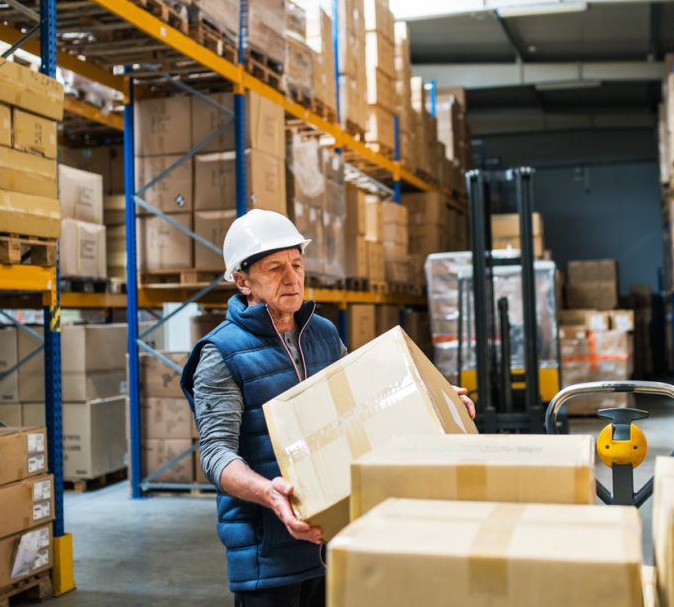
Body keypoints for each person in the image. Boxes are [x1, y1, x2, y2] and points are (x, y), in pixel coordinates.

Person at [179, 209, 475, 607]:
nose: (292, 278)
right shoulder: (220, 354)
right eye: (274, 268)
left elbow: (363, 407)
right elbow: (216, 454)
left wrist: (432, 399)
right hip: (268, 554)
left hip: (334, 538)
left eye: (297, 265)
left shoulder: (322, 333)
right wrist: (269, 493)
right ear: (242, 280)